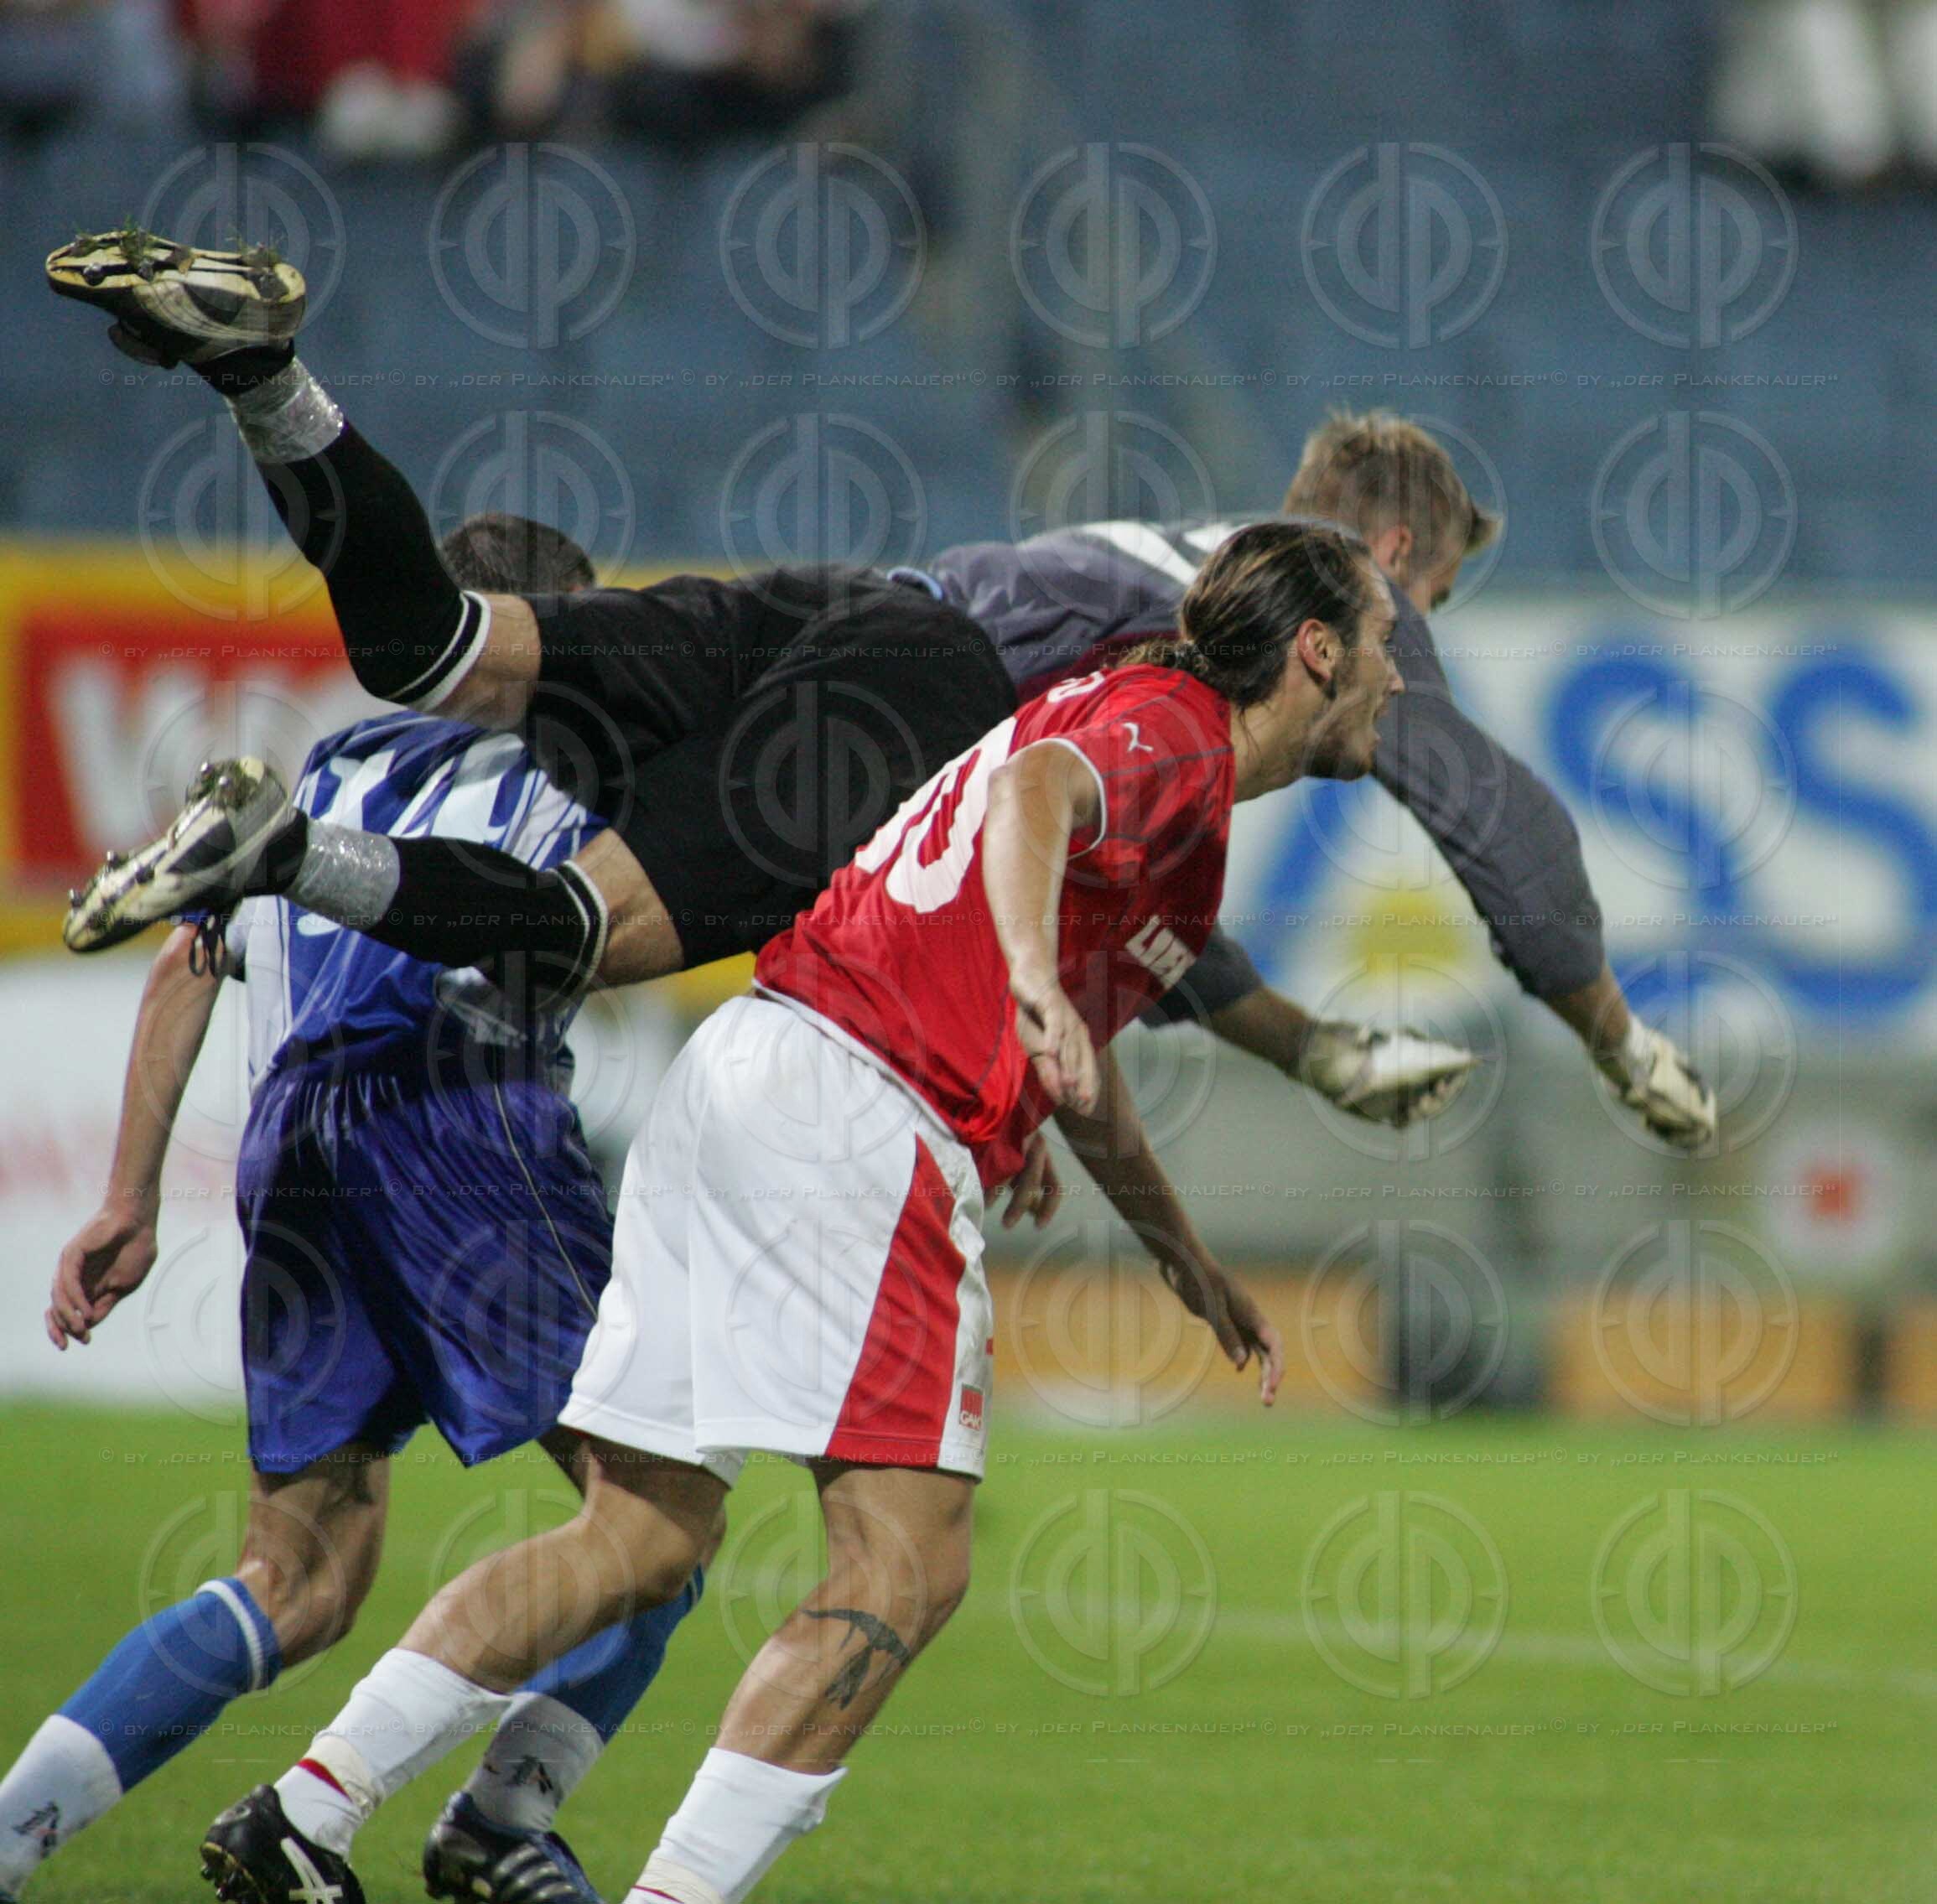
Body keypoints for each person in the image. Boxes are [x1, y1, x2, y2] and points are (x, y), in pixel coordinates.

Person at [197, 515, 1384, 1904]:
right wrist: (1028, 986)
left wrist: (1180, 1253)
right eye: (1381, 646)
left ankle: (304, 1810)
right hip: (860, 1115)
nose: (1398, 679)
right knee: (904, 1571)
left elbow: (1077, 1038)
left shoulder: (1166, 798)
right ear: (1314, 651)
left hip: (752, 1072)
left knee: (638, 1536)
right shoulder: (1172, 724)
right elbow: (1030, 801)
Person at [49, 230, 1480, 1135]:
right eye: (1413, 618)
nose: (1407, 665)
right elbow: (1109, 873)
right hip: (915, 705)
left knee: (428, 648)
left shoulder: (1175, 606)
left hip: (837, 606)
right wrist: (1589, 1014)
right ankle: (287, 852)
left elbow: (1147, 936)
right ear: (1372, 577)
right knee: (576, 935)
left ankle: (266, 383)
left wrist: (1313, 1053)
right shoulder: (1216, 671)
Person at [0, 521, 708, 1904]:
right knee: (658, 1520)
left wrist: (129, 1199)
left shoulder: (326, 767)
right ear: (550, 641)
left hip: (292, 1141)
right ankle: (469, 1826)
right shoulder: (588, 749)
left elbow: (188, 964)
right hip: (463, 1116)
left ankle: (15, 1831)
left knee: (300, 1579)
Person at [927, 409, 1718, 1149]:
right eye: (1425, 605)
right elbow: (1503, 826)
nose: (1407, 665)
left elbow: (1136, 919)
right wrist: (1624, 1046)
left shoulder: (1193, 645)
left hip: (891, 699)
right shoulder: (1336, 580)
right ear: (1394, 552)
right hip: (893, 692)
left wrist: (1316, 1051)